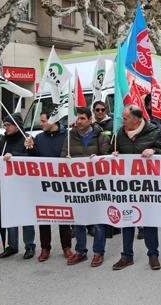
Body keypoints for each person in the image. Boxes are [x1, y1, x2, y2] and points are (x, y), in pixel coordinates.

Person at [111, 104, 161, 271]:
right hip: (127, 186)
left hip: (147, 186)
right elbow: (110, 151)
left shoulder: (154, 132)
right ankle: (126, 256)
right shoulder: (119, 134)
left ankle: (153, 255)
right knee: (127, 219)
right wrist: (113, 154)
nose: (123, 121)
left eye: (126, 118)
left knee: (149, 220)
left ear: (136, 120)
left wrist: (154, 151)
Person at [61, 107, 111, 267]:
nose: (79, 121)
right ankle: (81, 251)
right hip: (77, 186)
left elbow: (107, 158)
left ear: (90, 120)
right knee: (79, 219)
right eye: (78, 118)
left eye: (82, 118)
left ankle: (98, 252)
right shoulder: (70, 136)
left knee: (97, 220)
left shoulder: (101, 137)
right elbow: (62, 156)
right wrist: (66, 159)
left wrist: (98, 159)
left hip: (96, 187)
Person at [24, 111, 74, 262]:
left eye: (43, 120)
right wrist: (31, 148)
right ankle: (45, 248)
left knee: (64, 216)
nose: (41, 123)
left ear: (53, 121)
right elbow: (35, 159)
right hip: (43, 184)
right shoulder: (39, 137)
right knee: (44, 216)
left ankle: (66, 247)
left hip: (62, 184)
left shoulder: (67, 136)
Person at [0, 113, 36, 260]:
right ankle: (12, 245)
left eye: (8, 125)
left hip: (23, 186)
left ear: (17, 125)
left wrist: (14, 155)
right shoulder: (3, 140)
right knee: (10, 215)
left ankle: (29, 245)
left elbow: (32, 158)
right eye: (4, 125)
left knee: (25, 216)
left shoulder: (27, 139)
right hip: (6, 186)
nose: (5, 128)